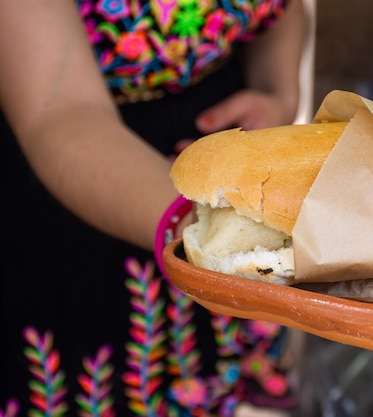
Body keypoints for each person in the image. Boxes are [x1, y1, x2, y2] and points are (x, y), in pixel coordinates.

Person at [0, 0, 304, 415]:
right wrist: (208, 227)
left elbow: (280, 11)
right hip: (89, 174)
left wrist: (277, 90)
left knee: (209, 366)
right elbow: (60, 109)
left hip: (220, 154)